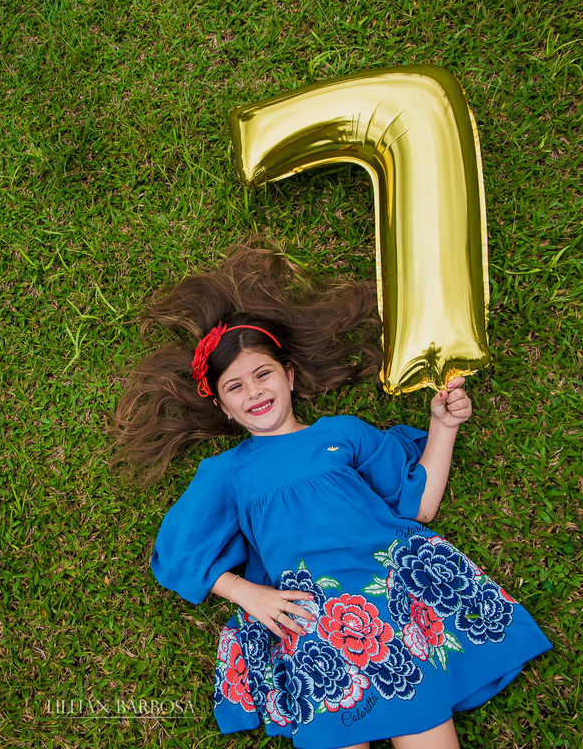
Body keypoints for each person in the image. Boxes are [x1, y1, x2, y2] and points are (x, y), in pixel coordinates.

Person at [113, 241, 552, 749]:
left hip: (391, 610)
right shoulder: (226, 473)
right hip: (311, 627)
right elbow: (175, 553)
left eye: (263, 374)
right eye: (234, 387)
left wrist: (442, 425)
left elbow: (421, 505)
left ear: (290, 377)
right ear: (224, 409)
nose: (253, 391)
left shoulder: (342, 433)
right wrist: (246, 593)